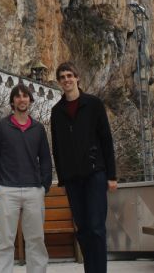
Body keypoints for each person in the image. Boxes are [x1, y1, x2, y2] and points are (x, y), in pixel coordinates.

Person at [50, 62, 117, 273]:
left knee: (97, 227)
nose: (66, 80)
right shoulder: (57, 111)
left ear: (77, 78)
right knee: (83, 229)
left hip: (95, 173)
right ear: (59, 82)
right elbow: (57, 147)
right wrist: (62, 177)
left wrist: (112, 176)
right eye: (62, 77)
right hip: (72, 178)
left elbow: (106, 139)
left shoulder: (93, 104)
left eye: (70, 75)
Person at [0, 84, 52, 273]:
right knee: (5, 241)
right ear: (12, 101)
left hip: (34, 190)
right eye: (18, 96)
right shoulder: (0, 127)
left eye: (25, 96)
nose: (22, 99)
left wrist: (44, 185)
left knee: (36, 240)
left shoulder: (38, 129)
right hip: (7, 190)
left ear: (30, 100)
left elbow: (46, 158)